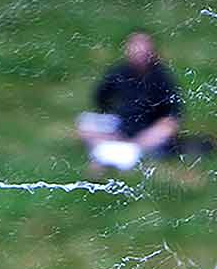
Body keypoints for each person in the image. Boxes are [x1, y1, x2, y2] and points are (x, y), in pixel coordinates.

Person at [78, 31, 182, 173]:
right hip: (122, 123)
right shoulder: (119, 72)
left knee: (166, 128)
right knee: (85, 123)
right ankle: (122, 150)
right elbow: (101, 98)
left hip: (148, 127)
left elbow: (173, 112)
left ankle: (123, 150)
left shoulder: (161, 76)